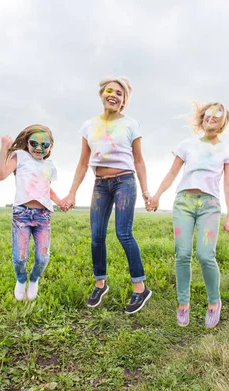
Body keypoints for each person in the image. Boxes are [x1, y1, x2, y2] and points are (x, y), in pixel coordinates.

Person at [61, 77, 152, 314]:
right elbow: (83, 162)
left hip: (125, 181)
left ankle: (140, 288)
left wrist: (146, 192)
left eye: (119, 93)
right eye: (109, 91)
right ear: (102, 94)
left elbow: (139, 161)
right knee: (96, 236)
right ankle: (100, 283)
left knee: (124, 233)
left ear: (124, 101)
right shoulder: (89, 126)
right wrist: (72, 193)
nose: (113, 95)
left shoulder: (131, 125)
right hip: (100, 184)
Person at [147, 102, 229, 328]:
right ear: (202, 117)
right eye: (209, 113)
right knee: (183, 253)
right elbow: (172, 173)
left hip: (210, 205)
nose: (212, 117)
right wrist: (157, 195)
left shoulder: (227, 150)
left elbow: (228, 185)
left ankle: (214, 302)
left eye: (218, 114)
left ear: (223, 121)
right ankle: (183, 303)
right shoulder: (187, 144)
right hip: (184, 203)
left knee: (206, 255)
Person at [0, 124, 64, 301]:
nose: (39, 148)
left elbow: (46, 188)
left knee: (43, 257)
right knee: (20, 257)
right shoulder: (21, 157)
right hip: (22, 215)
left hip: (43, 216)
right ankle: (20, 280)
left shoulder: (49, 165)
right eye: (34, 143)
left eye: (45, 145)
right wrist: (4, 148)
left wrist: (60, 202)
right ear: (27, 142)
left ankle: (34, 280)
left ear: (50, 147)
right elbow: (0, 175)